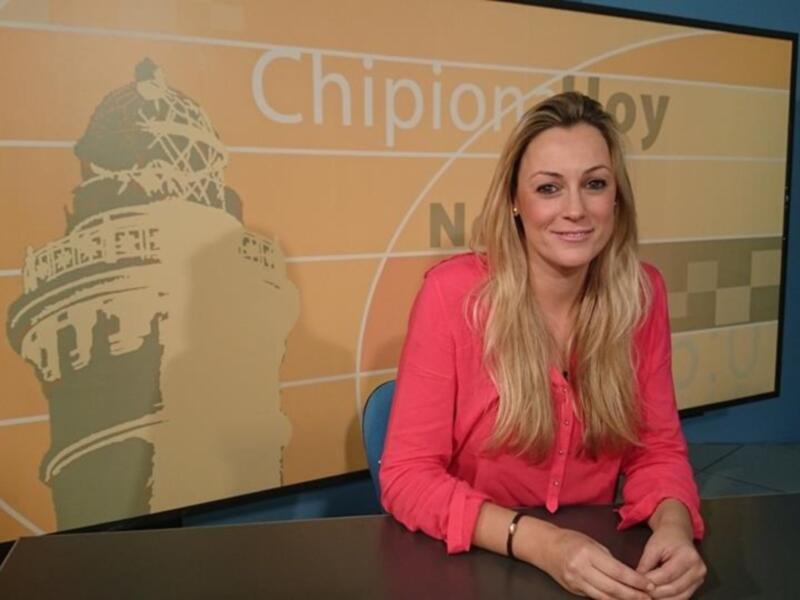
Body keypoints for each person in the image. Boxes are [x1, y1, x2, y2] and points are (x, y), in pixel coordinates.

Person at [380, 92, 707, 600]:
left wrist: (674, 525)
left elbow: (657, 451)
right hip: (478, 563)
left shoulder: (643, 294)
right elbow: (406, 477)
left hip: (597, 565)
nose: (575, 209)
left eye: (594, 184)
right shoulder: (451, 296)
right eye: (549, 188)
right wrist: (543, 544)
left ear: (616, 197)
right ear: (515, 200)